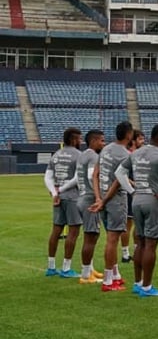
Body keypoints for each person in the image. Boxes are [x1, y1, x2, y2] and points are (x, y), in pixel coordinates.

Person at [116, 124, 158, 297]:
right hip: (152, 200)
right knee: (150, 244)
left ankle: (137, 282)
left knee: (139, 242)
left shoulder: (137, 153)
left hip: (137, 199)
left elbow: (119, 173)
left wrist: (132, 191)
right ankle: (147, 287)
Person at [90, 120, 133, 292]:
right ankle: (108, 282)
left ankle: (115, 275)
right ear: (129, 135)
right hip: (114, 201)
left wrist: (98, 198)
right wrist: (105, 200)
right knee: (112, 240)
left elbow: (96, 174)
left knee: (110, 238)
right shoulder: (125, 155)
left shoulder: (106, 149)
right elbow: (117, 181)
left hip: (103, 197)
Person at [44, 128, 83, 278]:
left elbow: (47, 177)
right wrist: (61, 190)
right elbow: (77, 178)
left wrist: (55, 193)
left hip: (58, 199)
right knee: (73, 232)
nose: (81, 142)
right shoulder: (79, 155)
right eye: (79, 139)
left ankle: (51, 266)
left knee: (56, 231)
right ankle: (66, 269)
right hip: (72, 197)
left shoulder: (56, 154)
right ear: (73, 139)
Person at [75, 129, 106, 284]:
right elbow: (90, 175)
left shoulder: (82, 156)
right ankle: (86, 275)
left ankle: (90, 269)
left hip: (81, 197)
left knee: (92, 235)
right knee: (90, 237)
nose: (103, 143)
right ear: (93, 141)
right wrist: (99, 196)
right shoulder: (93, 156)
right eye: (101, 140)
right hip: (89, 200)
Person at [121, 129, 145, 263]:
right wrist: (132, 184)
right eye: (140, 139)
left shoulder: (138, 154)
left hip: (137, 191)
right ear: (134, 141)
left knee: (137, 223)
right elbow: (121, 173)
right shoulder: (128, 155)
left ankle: (136, 251)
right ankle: (125, 253)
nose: (143, 141)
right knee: (129, 224)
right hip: (130, 192)